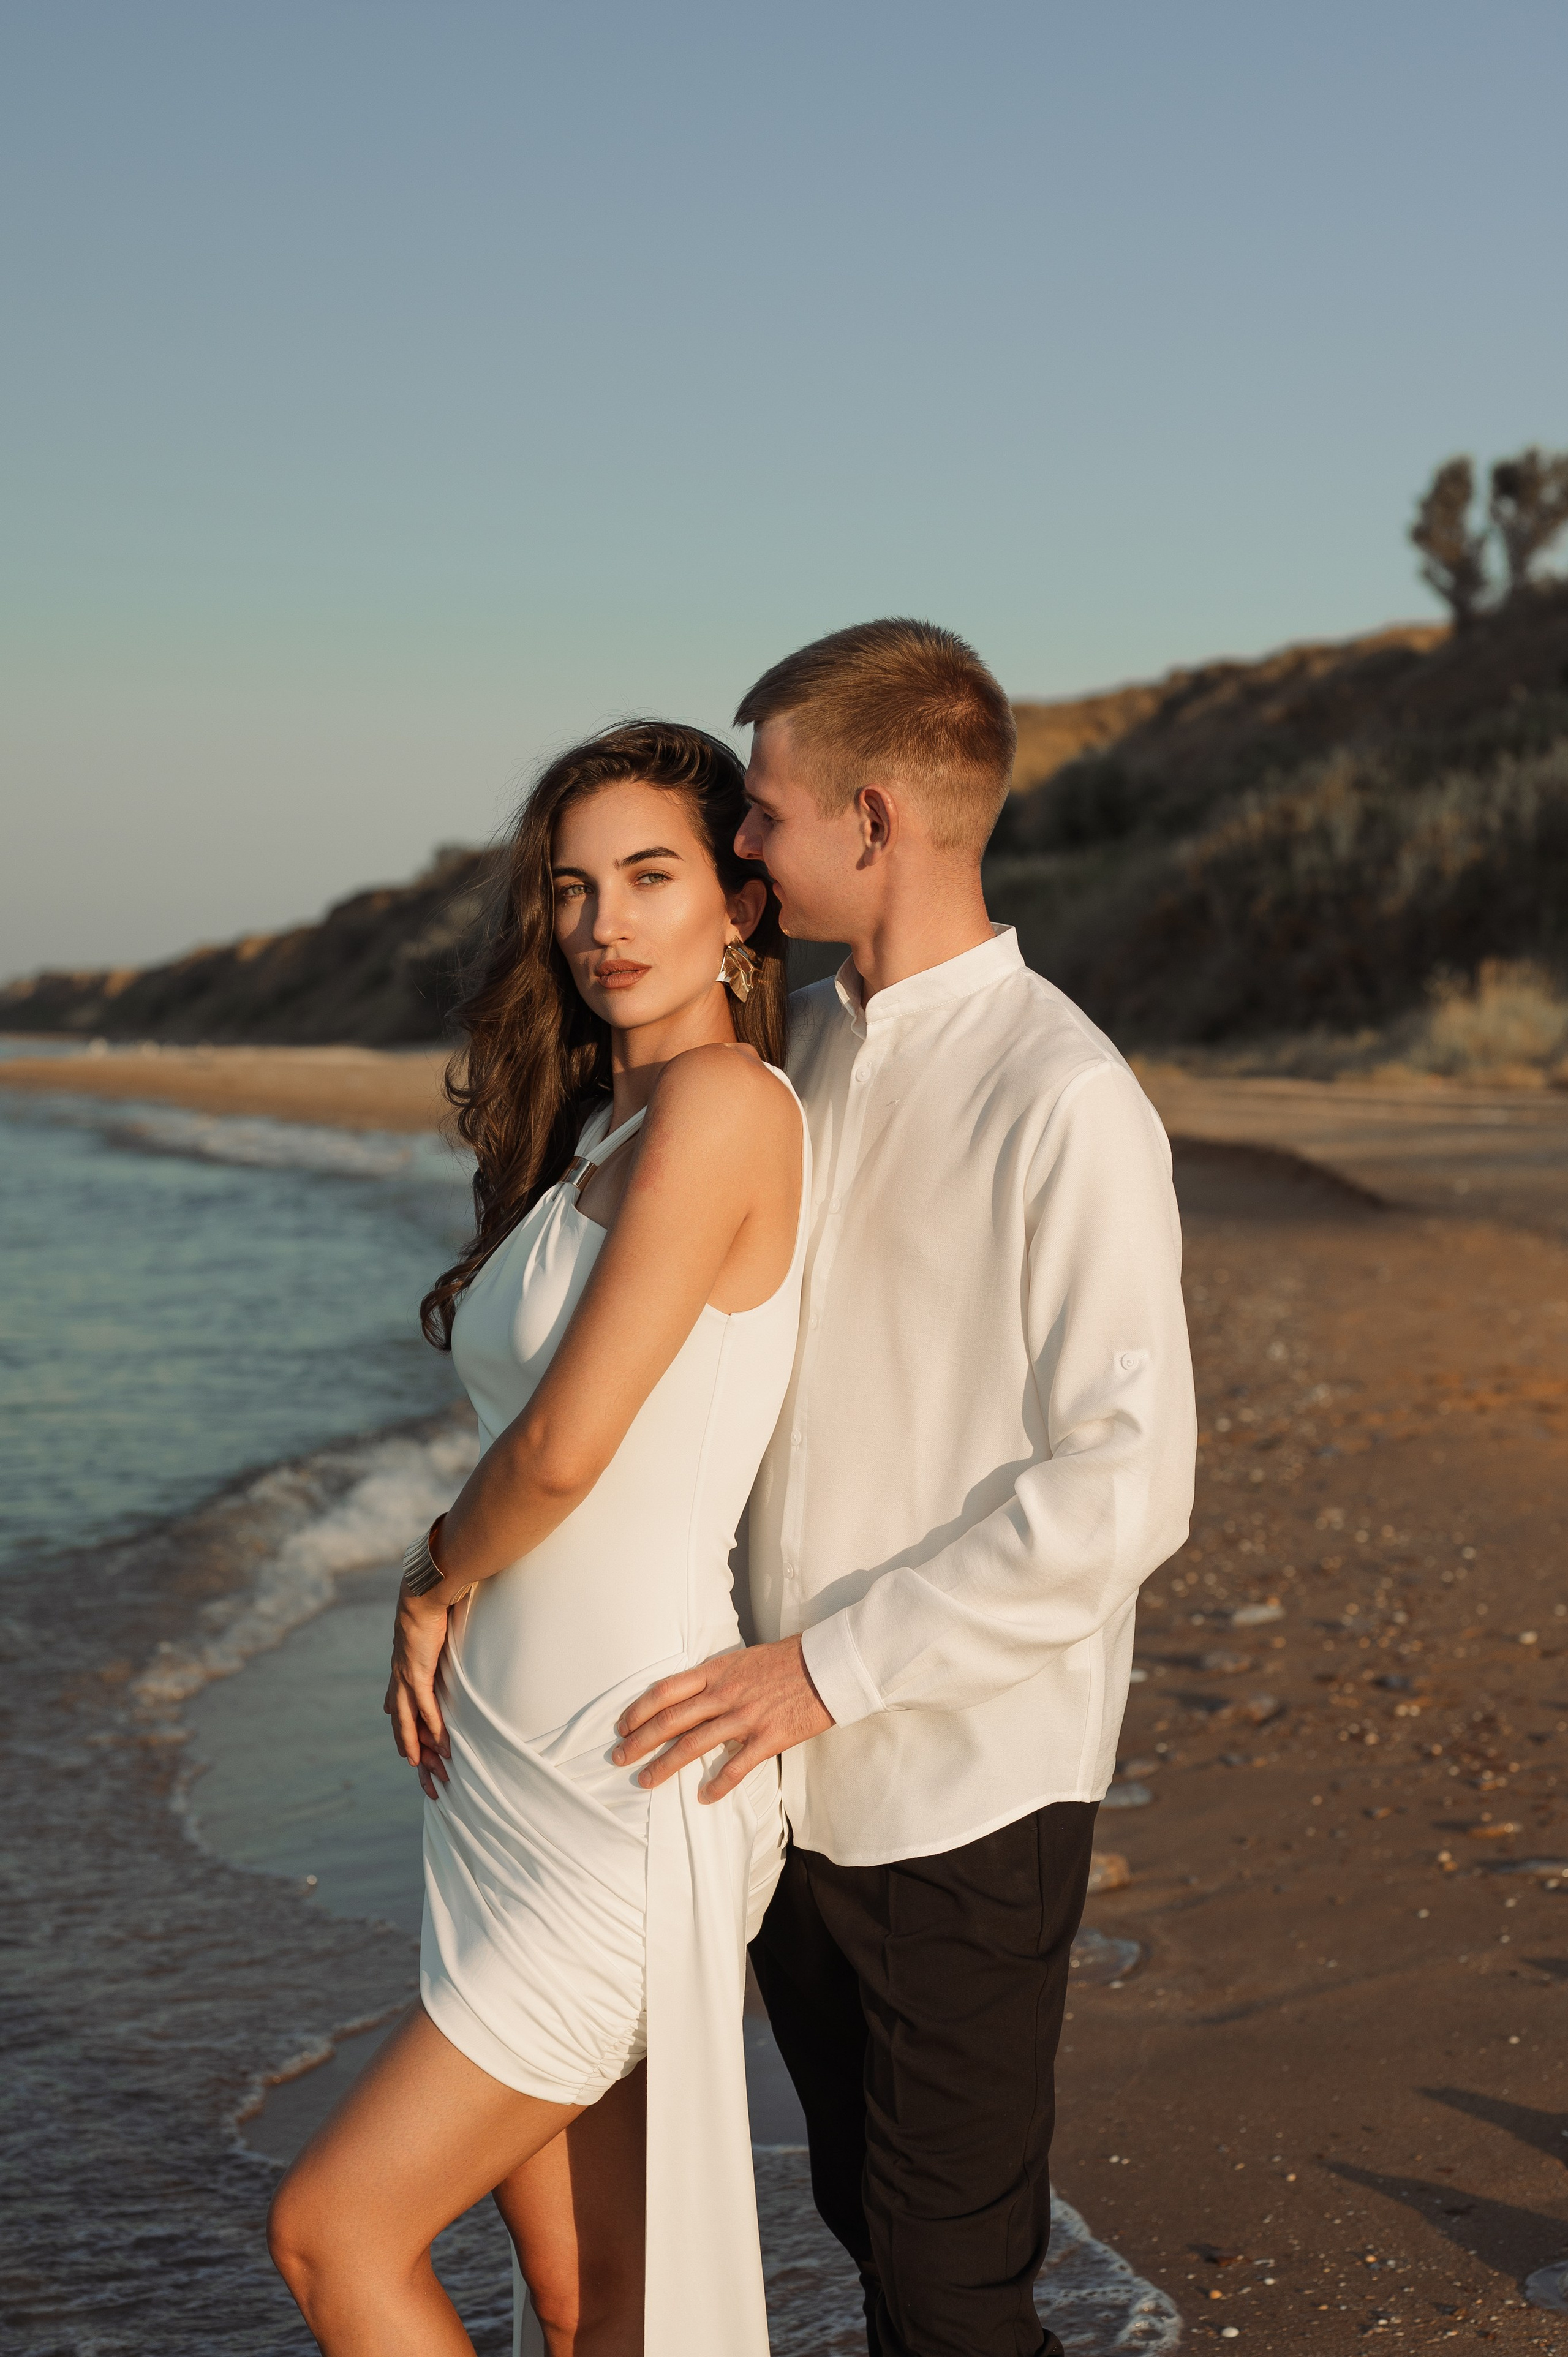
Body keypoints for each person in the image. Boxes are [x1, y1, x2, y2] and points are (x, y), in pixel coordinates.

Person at [612, 620, 1198, 2357]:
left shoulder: (1066, 1094)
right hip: (778, 1782)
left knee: (954, 2291)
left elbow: (1127, 1481)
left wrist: (827, 1669)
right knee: (868, 2229)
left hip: (966, 1784)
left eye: (765, 817)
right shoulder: (787, 1054)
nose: (743, 853)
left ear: (873, 820)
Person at [268, 722, 810, 2357]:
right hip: (509, 1781)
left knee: (335, 2235)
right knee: (589, 2307)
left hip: (624, 1778)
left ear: (741, 904)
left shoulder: (723, 1104)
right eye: (573, 889)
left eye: (652, 877)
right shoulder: (599, 1139)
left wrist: (435, 1578)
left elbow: (568, 1449)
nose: (602, 923)